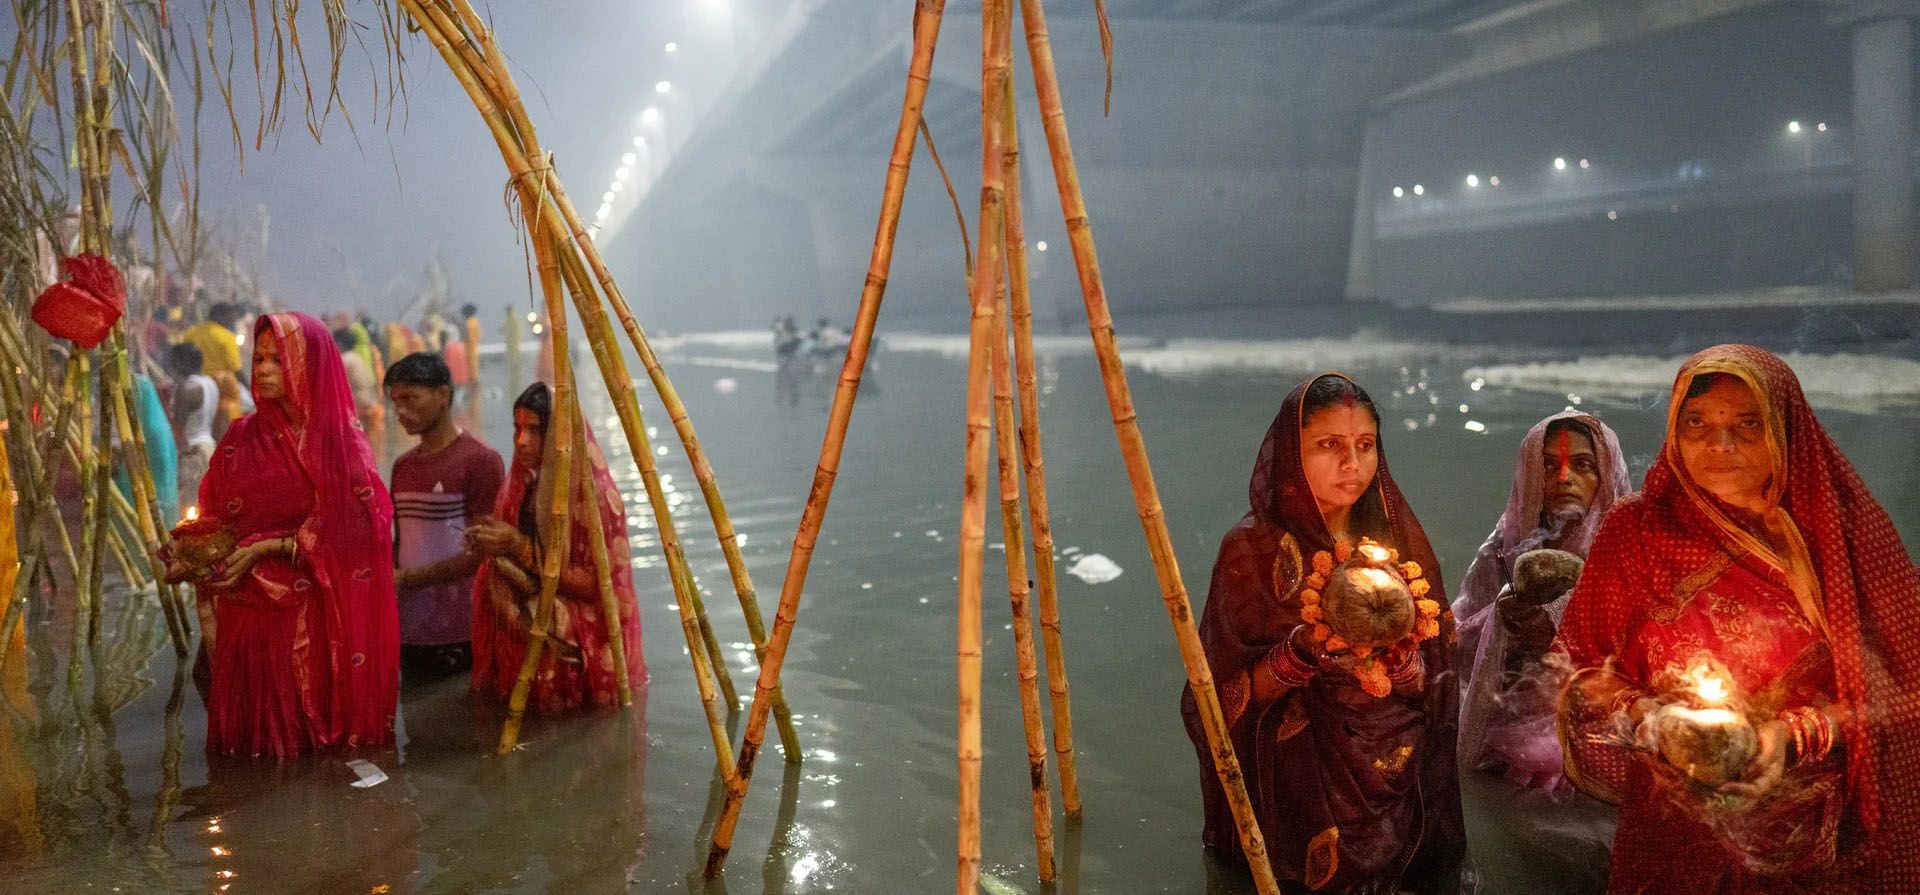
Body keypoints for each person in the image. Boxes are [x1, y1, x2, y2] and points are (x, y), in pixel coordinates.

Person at [1557, 344, 1920, 892]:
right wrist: (1657, 721)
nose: (1718, 445)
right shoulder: (1636, 530)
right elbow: (1580, 668)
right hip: (1672, 823)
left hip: (1813, 835)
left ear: (1785, 430)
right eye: (1696, 423)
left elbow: (1902, 686)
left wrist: (1792, 735)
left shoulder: (1843, 537)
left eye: (1747, 424)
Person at [1179, 373, 1466, 893]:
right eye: (1330, 445)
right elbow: (1218, 700)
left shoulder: (1396, 541)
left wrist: (1405, 665)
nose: (1352, 463)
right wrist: (1299, 655)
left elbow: (1441, 677)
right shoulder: (1251, 550)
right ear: (1294, 453)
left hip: (1397, 760)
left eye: (1365, 445)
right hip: (1302, 769)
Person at [174, 311, 399, 757]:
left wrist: (269, 547)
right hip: (246, 620)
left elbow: (364, 532)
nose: (263, 369)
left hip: (309, 628)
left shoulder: (340, 445)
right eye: (259, 359)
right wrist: (191, 554)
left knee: (308, 752)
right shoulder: (240, 437)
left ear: (310, 364)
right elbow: (216, 518)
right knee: (252, 754)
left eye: (278, 359)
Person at [1454, 411, 1632, 790]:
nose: (1563, 477)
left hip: (1597, 724)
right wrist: (1504, 620)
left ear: (1607, 475)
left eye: (1582, 465)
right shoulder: (1503, 548)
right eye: (1548, 465)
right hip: (1504, 719)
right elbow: (1459, 637)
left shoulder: (1631, 555)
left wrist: (1557, 632)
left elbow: (1645, 656)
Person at [467, 382, 646, 712]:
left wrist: (518, 546)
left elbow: (594, 586)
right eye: (518, 429)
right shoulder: (521, 484)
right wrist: (488, 540)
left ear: (560, 436)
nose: (522, 441)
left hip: (580, 625)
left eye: (535, 431)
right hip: (528, 608)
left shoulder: (595, 496)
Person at [386, 353, 504, 679]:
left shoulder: (481, 461)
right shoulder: (402, 466)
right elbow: (400, 543)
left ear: (443, 395)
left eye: (410, 398)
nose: (400, 410)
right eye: (395, 401)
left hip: (463, 627)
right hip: (411, 627)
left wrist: (408, 579)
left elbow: (484, 553)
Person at [179, 302, 250, 423]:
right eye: (229, 317)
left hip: (193, 382)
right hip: (223, 388)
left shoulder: (190, 333)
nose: (231, 321)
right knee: (250, 407)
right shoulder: (227, 337)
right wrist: (250, 390)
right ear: (219, 315)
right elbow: (236, 369)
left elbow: (181, 358)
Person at [169, 342, 220, 506]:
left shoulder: (187, 388)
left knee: (190, 505)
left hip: (192, 453)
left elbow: (178, 429)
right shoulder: (210, 383)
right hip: (209, 447)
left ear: (182, 362)